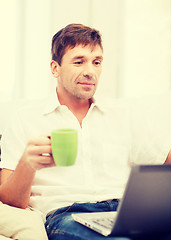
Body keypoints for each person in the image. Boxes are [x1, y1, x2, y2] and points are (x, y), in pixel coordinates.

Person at [0, 23, 171, 240]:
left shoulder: (124, 114)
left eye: (96, 62)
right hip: (67, 215)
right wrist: (27, 164)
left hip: (123, 211)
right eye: (79, 62)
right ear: (55, 68)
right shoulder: (25, 119)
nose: (90, 71)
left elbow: (166, 159)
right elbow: (9, 202)